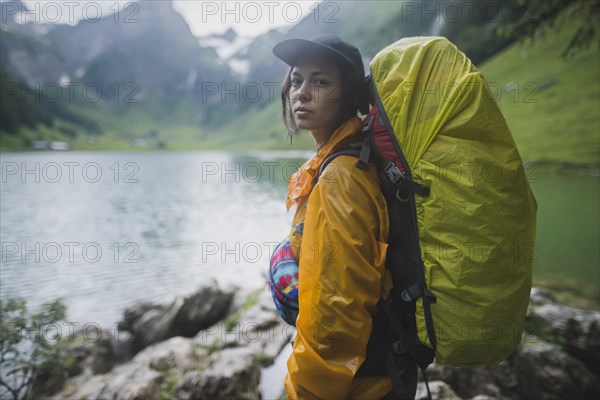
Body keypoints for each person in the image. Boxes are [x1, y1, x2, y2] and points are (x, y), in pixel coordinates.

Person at [270, 35, 418, 400]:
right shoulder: (346, 159)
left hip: (364, 387)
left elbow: (334, 320)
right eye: (297, 80)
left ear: (349, 94)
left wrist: (301, 394)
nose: (302, 92)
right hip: (380, 375)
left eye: (320, 81)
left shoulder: (340, 177)